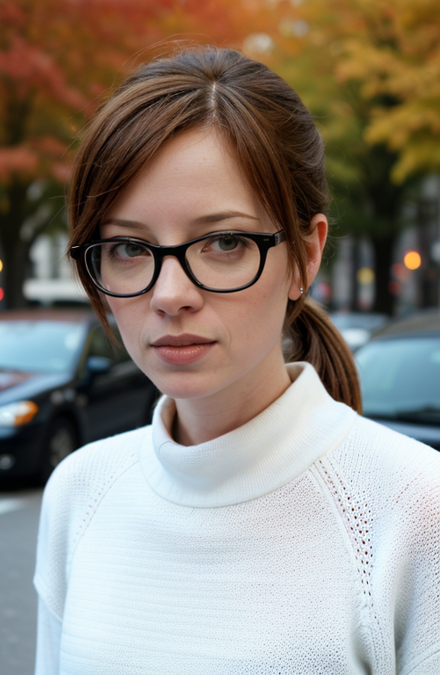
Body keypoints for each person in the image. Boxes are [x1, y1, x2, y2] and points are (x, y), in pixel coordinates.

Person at [34, 46, 440, 674]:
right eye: (127, 247)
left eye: (224, 242)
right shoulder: (79, 493)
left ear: (306, 256)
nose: (170, 295)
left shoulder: (411, 507)